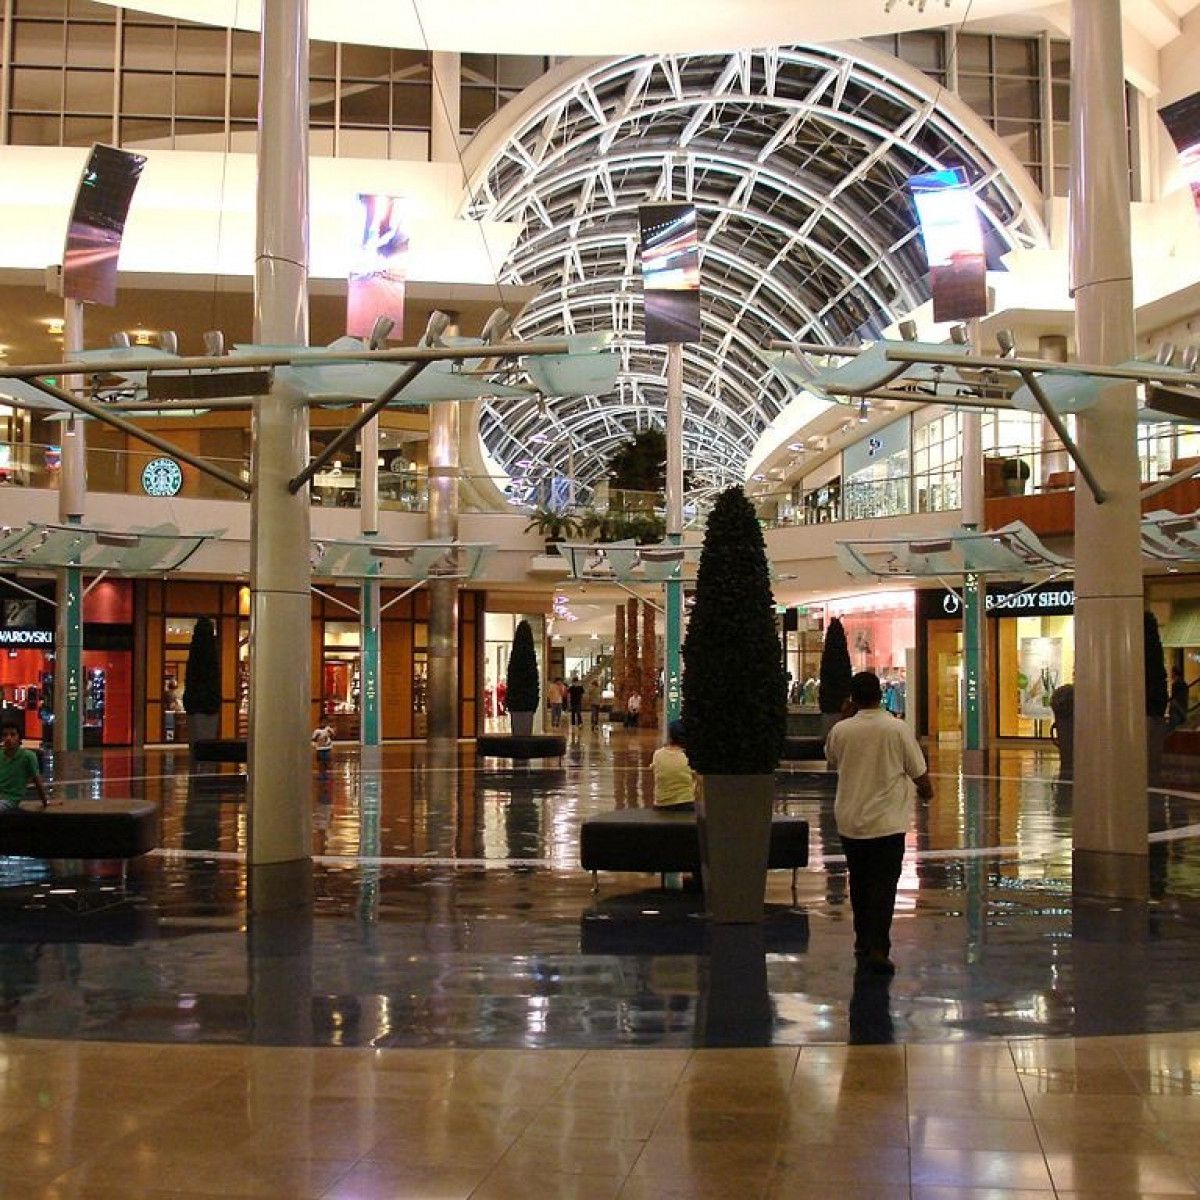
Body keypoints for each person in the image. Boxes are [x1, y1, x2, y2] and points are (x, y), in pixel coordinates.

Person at [824, 670, 932, 976]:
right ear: (881, 696)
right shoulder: (896, 729)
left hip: (850, 821)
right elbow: (918, 771)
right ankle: (878, 948)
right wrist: (927, 792)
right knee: (884, 885)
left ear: (852, 698)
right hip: (887, 823)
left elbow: (830, 756)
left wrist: (843, 717)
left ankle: (862, 940)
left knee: (859, 882)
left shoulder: (842, 730)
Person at [0, 720, 48, 811]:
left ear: (19, 738)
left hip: (9, 799)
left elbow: (37, 781)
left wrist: (45, 802)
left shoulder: (28, 756)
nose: (8, 738)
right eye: (5, 735)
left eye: (13, 735)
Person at [653, 719, 695, 809]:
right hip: (686, 803)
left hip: (661, 804)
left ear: (670, 737)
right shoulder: (691, 756)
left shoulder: (657, 754)